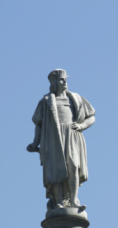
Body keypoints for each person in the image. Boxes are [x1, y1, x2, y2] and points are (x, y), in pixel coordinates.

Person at [27, 69, 95, 210]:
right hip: (53, 138)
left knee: (74, 166)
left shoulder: (75, 98)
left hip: (72, 135)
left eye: (65, 79)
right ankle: (58, 201)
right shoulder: (46, 101)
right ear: (53, 83)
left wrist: (82, 125)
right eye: (61, 79)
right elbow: (38, 124)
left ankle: (73, 199)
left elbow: (91, 116)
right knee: (55, 168)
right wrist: (35, 142)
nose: (65, 82)